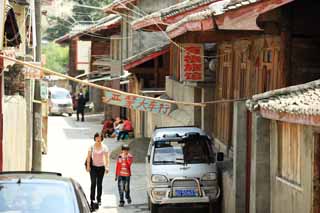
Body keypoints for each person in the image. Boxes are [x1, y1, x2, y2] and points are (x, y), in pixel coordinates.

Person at [86, 133, 110, 208]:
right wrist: (88, 166)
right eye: (97, 137)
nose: (98, 139)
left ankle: (99, 199)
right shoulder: (91, 147)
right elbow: (88, 157)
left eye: (100, 138)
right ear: (95, 138)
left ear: (102, 139)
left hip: (101, 167)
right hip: (93, 167)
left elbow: (107, 158)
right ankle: (92, 199)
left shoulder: (104, 147)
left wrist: (107, 167)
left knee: (99, 184)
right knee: (93, 183)